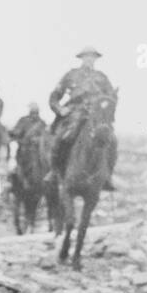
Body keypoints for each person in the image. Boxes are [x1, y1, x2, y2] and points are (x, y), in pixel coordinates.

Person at [48, 46, 116, 191]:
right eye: (87, 56)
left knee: (112, 140)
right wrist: (61, 109)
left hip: (97, 115)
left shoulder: (102, 77)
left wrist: (107, 108)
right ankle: (55, 171)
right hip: (76, 112)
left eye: (92, 57)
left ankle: (107, 176)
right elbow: (54, 96)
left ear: (96, 59)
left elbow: (110, 98)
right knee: (63, 137)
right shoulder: (71, 75)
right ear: (81, 58)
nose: (89, 59)